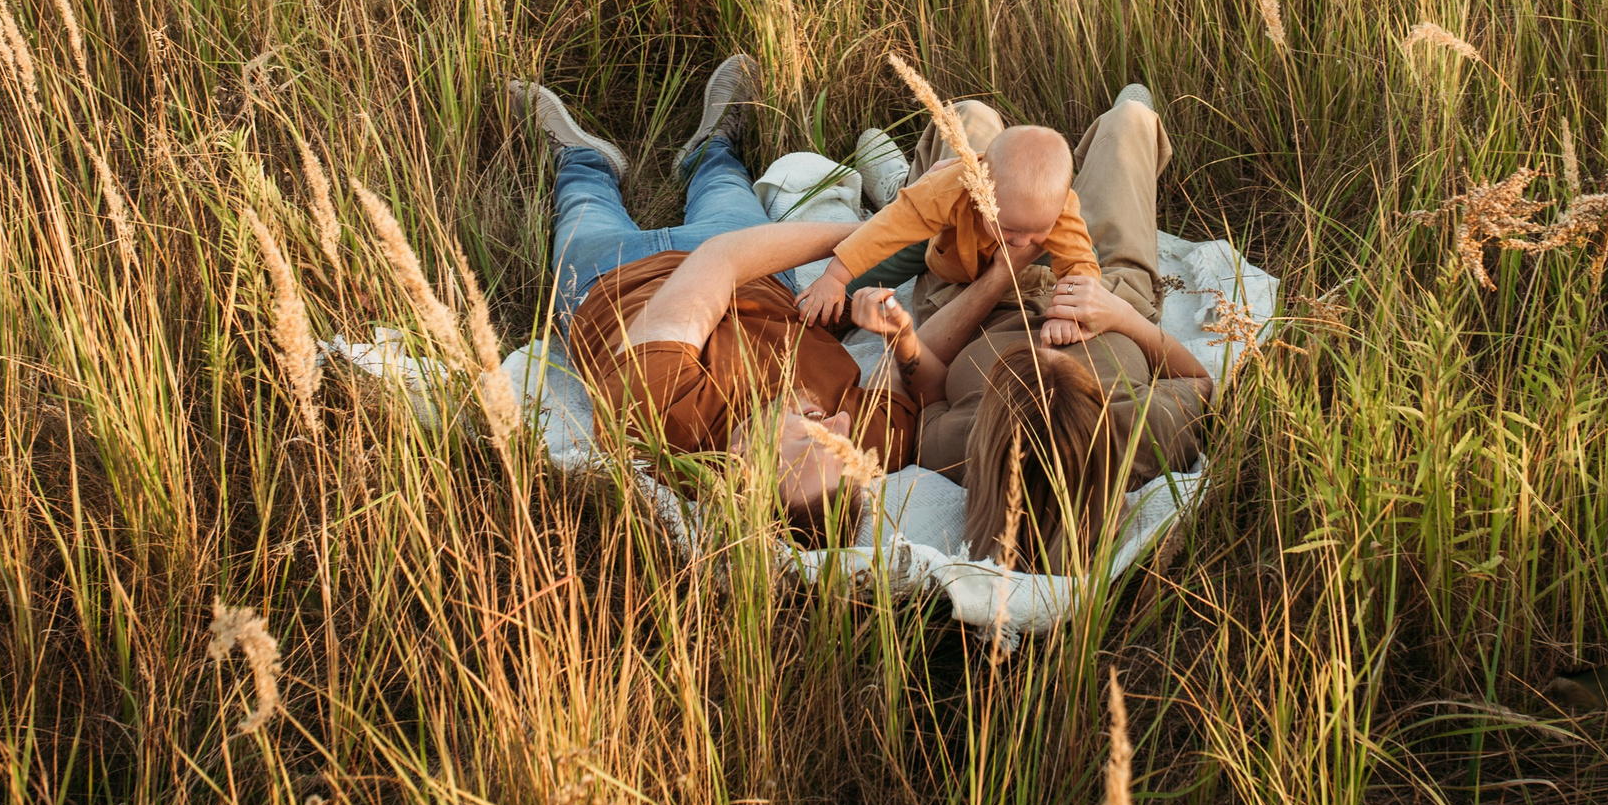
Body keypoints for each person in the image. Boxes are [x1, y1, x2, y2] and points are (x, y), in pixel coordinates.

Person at [511, 55, 922, 527]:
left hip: (612, 277)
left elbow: (719, 259)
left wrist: (874, 233)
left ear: (741, 469)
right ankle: (710, 149)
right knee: (724, 180)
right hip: (759, 275)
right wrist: (900, 332)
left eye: (812, 437)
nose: (841, 423)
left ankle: (583, 157)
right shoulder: (858, 449)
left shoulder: (660, 423)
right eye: (844, 437)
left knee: (581, 195)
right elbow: (905, 389)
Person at [899, 85, 1217, 574]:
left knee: (969, 117)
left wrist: (1008, 266)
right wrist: (1120, 317)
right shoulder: (1137, 436)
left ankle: (916, 197)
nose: (1048, 342)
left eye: (1024, 372)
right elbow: (1200, 382)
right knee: (1130, 119)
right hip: (1107, 290)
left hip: (980, 288)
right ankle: (1065, 183)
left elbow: (923, 365)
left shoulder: (958, 445)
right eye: (1069, 374)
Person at [796, 117, 1101, 347]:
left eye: (1036, 229)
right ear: (979, 187)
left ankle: (1023, 238)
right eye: (1008, 227)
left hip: (1032, 265)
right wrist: (835, 277)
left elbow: (1080, 265)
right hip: (947, 244)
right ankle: (836, 307)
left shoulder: (1058, 209)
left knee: (1088, 253)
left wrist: (1069, 314)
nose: (1021, 242)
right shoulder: (949, 189)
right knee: (894, 251)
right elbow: (887, 229)